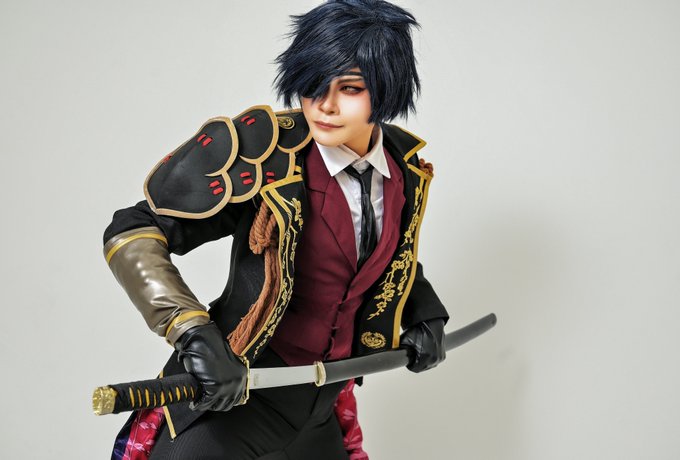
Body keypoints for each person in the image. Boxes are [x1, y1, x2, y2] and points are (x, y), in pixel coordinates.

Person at [104, 1, 449, 458]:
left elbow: (387, 255)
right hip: (242, 399)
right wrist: (191, 331)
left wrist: (424, 312)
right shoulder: (266, 157)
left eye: (349, 88)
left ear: (388, 87)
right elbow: (134, 230)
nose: (324, 105)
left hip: (324, 404)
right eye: (313, 84)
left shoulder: (403, 167)